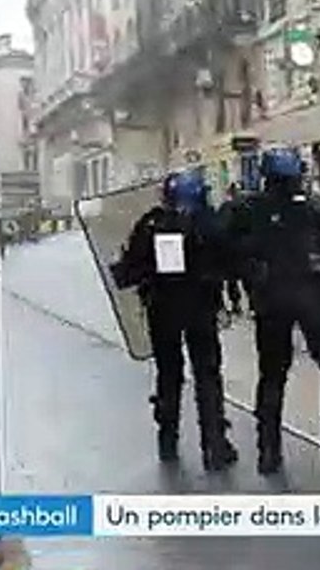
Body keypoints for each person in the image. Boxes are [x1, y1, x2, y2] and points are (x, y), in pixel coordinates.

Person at [226, 147, 320, 476]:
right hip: (311, 293)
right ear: (297, 175)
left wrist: (250, 276)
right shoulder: (316, 205)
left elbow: (228, 247)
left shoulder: (248, 208)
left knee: (272, 374)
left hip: (269, 297)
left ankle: (268, 451)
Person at [110, 170, 239, 471]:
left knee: (169, 375)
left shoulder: (151, 224)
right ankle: (215, 446)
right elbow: (230, 261)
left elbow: (128, 272)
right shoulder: (208, 225)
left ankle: (168, 441)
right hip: (201, 311)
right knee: (207, 376)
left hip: (163, 311)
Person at [217, 183, 249, 316]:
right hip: (243, 248)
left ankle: (236, 304)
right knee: (247, 277)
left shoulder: (224, 208)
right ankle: (252, 305)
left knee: (232, 279)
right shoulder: (245, 206)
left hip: (229, 249)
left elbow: (220, 227)